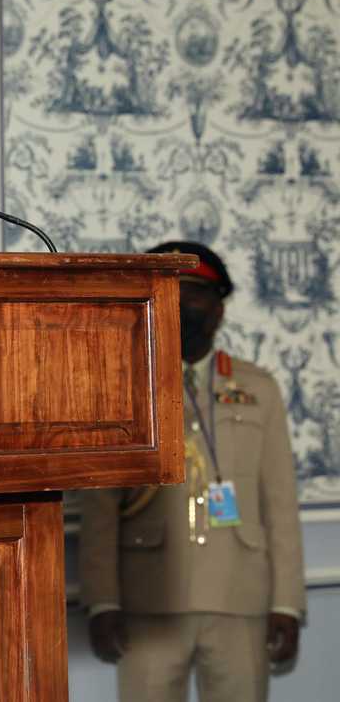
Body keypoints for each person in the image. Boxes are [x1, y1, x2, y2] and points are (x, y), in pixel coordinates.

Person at [79, 241, 306, 702]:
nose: (185, 305)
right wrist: (102, 600)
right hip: (149, 600)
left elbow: (279, 502)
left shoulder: (258, 389)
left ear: (219, 310)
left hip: (240, 594)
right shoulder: (122, 387)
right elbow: (99, 505)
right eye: (173, 292)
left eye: (197, 294)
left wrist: (287, 603)